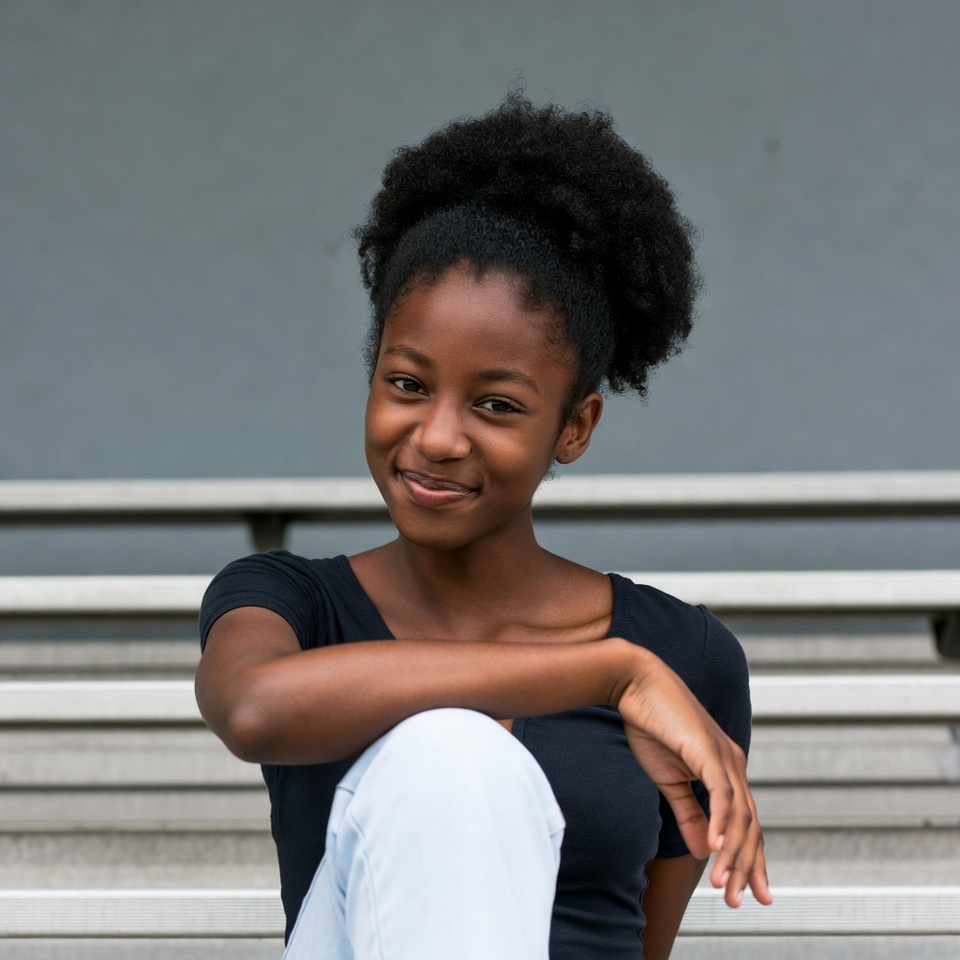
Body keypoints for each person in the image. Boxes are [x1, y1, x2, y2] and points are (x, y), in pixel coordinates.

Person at [195, 92, 771, 960]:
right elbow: (251, 706)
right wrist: (608, 674)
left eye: (496, 404)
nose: (436, 437)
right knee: (448, 752)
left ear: (574, 427)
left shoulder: (685, 658)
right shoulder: (290, 600)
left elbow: (639, 945)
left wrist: (635, 668)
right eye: (407, 384)